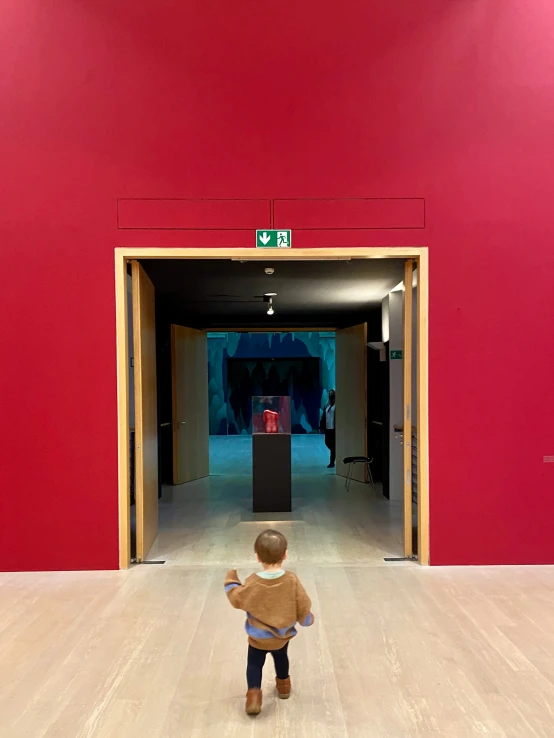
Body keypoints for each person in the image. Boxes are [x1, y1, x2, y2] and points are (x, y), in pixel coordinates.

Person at [224, 529, 314, 715]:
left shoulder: (253, 582)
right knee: (281, 658)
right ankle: (284, 687)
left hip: (258, 638)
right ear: (285, 554)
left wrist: (231, 580)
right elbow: (302, 603)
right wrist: (306, 618)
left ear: (257, 557)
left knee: (254, 664)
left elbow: (237, 598)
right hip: (282, 636)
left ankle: (254, 696)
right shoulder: (291, 580)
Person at [319, 389, 336, 468]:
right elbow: (323, 416)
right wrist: (321, 426)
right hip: (328, 427)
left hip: (334, 428)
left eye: (332, 393)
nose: (331, 395)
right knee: (327, 443)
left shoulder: (337, 405)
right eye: (330, 393)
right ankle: (335, 453)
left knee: (333, 445)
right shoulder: (327, 405)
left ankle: (332, 461)